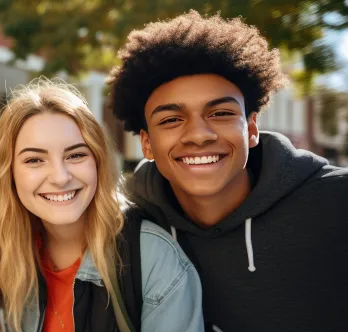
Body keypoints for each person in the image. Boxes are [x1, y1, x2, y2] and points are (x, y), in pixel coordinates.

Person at [107, 11, 348, 331]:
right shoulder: (126, 225)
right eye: (170, 119)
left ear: (251, 129)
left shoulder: (335, 204)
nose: (198, 134)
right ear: (147, 144)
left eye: (220, 113)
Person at [0, 80, 203, 332]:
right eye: (35, 160)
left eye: (76, 155)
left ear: (98, 161)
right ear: (10, 174)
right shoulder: (1, 256)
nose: (60, 177)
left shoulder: (152, 257)